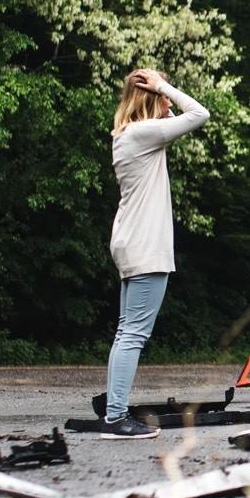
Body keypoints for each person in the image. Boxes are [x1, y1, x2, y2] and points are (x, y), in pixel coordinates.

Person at [100, 67, 210, 439]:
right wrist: (164, 86)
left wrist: (159, 93)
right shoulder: (145, 133)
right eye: (163, 94)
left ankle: (115, 414)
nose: (169, 99)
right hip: (145, 244)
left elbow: (184, 116)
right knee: (133, 334)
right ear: (153, 96)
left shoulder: (129, 135)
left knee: (126, 332)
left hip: (131, 241)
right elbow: (199, 113)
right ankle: (115, 418)